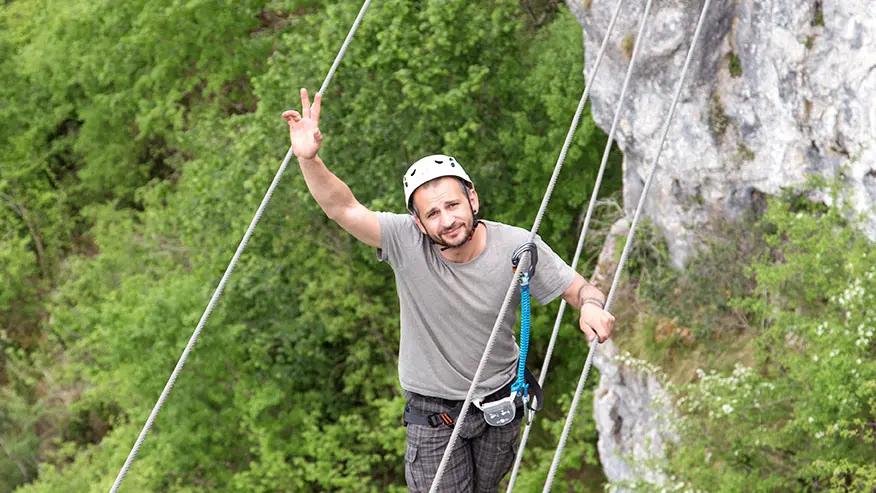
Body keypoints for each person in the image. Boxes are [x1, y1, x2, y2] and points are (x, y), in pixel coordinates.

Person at [283, 89, 615, 493]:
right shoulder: (405, 242)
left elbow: (581, 289)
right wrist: (309, 159)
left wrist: (592, 308)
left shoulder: (517, 247)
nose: (448, 220)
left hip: (500, 403)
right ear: (419, 223)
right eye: (433, 214)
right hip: (433, 411)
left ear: (472, 199)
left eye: (453, 205)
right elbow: (343, 208)